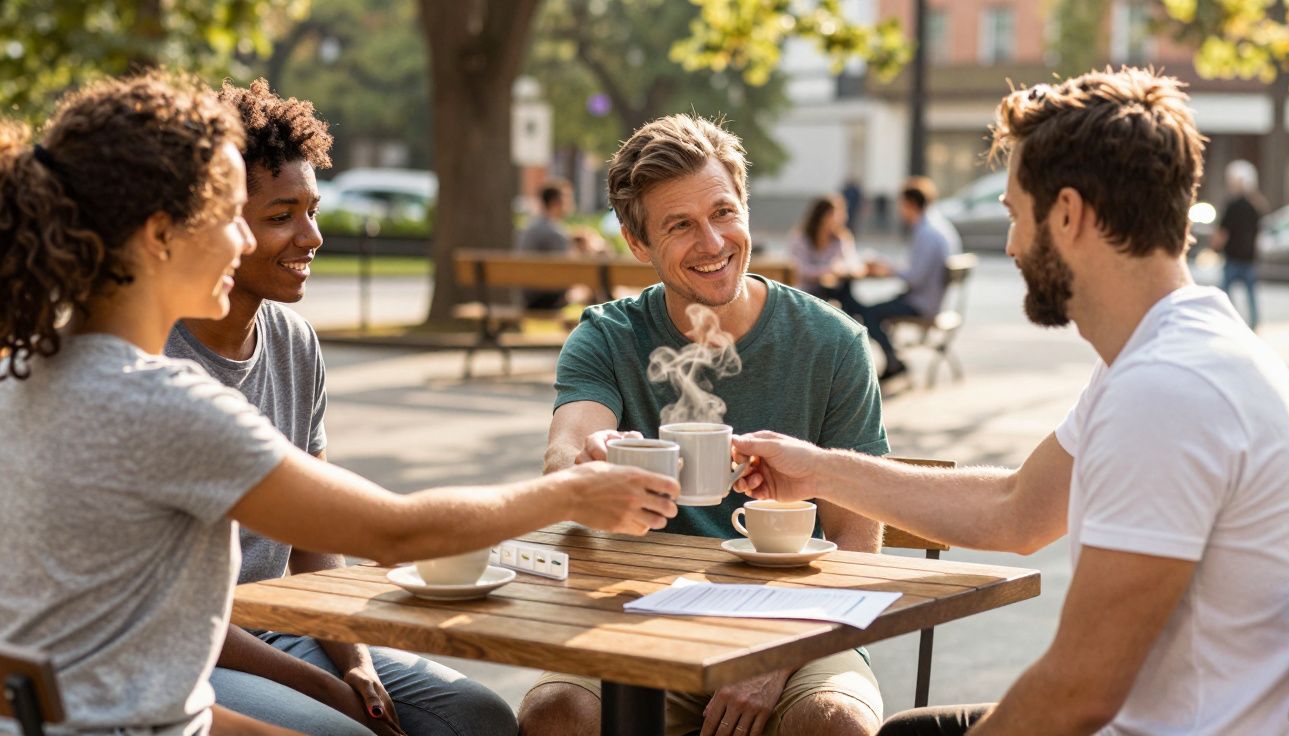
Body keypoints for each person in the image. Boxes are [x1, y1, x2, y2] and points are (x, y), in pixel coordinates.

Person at [0, 71, 679, 736]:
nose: (240, 242)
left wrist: (341, 669)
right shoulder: (160, 404)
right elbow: (397, 532)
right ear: (159, 236)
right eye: (226, 217)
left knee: (466, 718)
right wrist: (571, 494)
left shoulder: (28, 371)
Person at [731, 68, 1289, 735]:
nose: (1009, 245)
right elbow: (1016, 510)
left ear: (1066, 213)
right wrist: (816, 471)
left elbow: (1078, 693)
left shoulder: (1170, 389)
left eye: (1014, 214)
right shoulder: (1169, 353)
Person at [163, 78, 514, 736]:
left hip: (290, 626)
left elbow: (316, 542)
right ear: (215, 222)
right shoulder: (156, 363)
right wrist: (325, 686)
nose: (312, 236)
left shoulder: (294, 342)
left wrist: (356, 661)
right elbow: (177, 611)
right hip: (191, 650)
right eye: (281, 216)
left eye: (313, 209)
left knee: (479, 718)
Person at [517, 114, 887, 736]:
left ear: (745, 207)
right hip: (638, 617)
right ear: (639, 244)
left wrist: (773, 658)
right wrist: (587, 464)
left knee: (834, 721)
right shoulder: (608, 336)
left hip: (800, 624)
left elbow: (858, 539)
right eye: (680, 225)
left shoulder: (833, 342)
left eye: (723, 212)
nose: (713, 242)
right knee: (558, 715)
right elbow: (564, 452)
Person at [864, 177, 961, 381]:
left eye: (902, 206)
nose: (901, 211)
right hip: (934, 299)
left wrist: (887, 270)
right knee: (880, 306)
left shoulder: (927, 233)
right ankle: (893, 359)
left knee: (869, 313)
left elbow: (914, 278)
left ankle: (893, 362)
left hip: (922, 303)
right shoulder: (940, 226)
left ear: (910, 204)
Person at [517, 179, 603, 309]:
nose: (571, 204)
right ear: (556, 203)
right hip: (544, 300)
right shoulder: (555, 232)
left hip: (528, 297)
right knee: (593, 289)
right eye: (568, 200)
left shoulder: (530, 228)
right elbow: (572, 270)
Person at [790, 194, 869, 326]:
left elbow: (854, 264)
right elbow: (799, 269)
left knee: (857, 309)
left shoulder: (841, 238)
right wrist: (826, 271)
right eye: (837, 214)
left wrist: (842, 269)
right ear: (822, 216)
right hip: (809, 292)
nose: (842, 218)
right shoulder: (801, 238)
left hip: (837, 292)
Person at [1212, 159, 1264, 328]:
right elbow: (1258, 232)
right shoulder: (1256, 206)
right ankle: (1254, 323)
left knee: (1224, 294)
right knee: (1250, 295)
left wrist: (1214, 247)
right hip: (1248, 257)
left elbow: (1223, 231)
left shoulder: (1232, 205)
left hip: (1234, 256)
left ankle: (1228, 321)